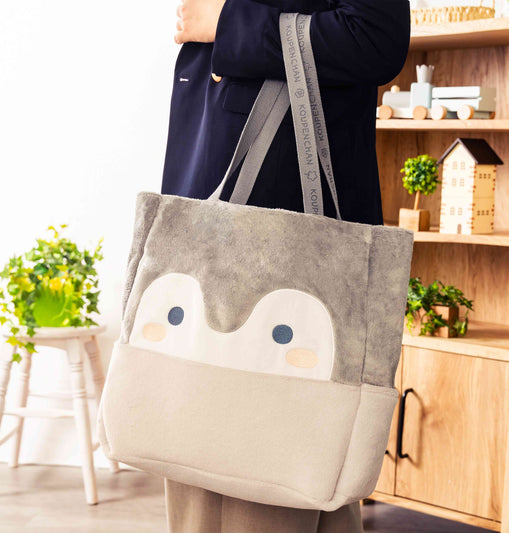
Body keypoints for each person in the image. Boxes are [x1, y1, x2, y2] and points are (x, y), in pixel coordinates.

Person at [160, 0, 410, 531]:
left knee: (258, 470)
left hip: (276, 211)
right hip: (229, 193)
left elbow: (374, 36)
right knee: (253, 458)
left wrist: (227, 25)